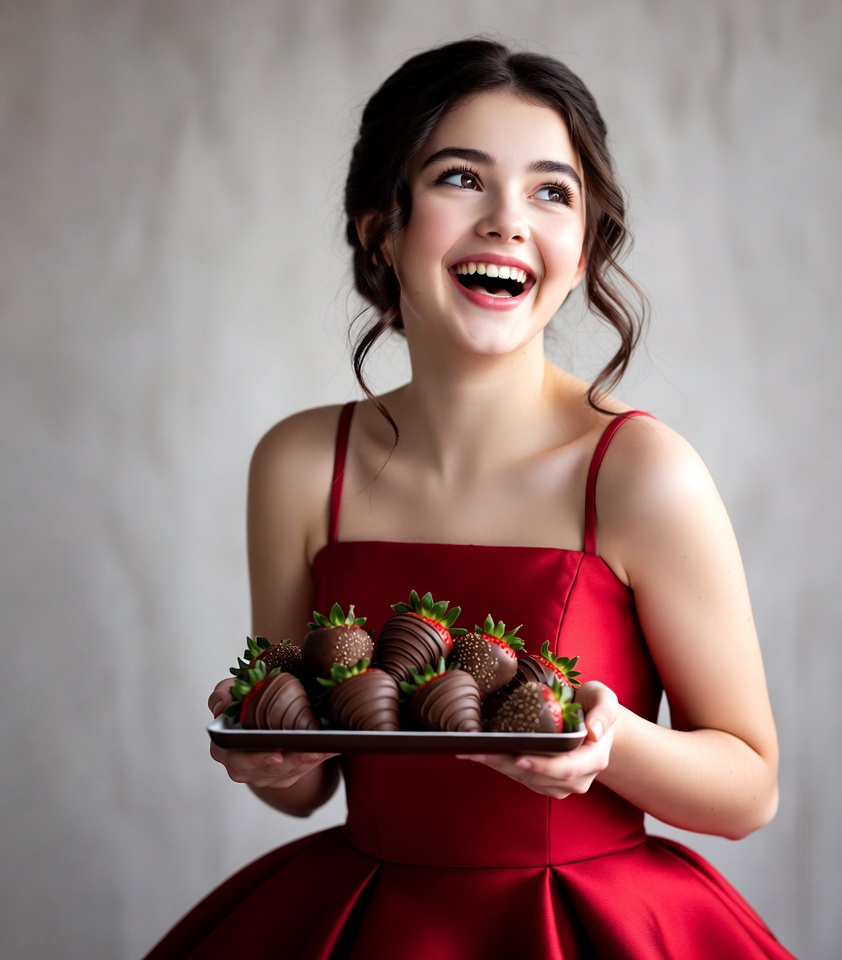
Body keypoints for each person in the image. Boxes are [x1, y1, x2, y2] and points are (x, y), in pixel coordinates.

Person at [145, 37, 795, 959]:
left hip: (590, 927)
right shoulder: (297, 463)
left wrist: (612, 743)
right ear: (381, 225)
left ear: (583, 248)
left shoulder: (642, 470)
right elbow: (308, 783)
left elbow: (749, 789)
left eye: (551, 190)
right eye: (461, 179)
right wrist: (272, 756)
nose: (508, 221)